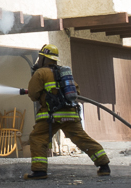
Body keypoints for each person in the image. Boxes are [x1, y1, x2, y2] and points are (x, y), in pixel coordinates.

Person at [25, 45, 110, 179]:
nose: (38, 59)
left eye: (40, 57)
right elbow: (77, 92)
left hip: (50, 116)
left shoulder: (40, 73)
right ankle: (104, 166)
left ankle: (39, 171)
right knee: (81, 139)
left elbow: (33, 94)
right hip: (70, 114)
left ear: (44, 58)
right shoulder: (64, 73)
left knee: (37, 138)